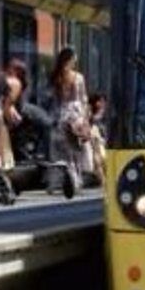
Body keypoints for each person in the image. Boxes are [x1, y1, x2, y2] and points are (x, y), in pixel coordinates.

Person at [49, 47, 93, 189]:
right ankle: (77, 179)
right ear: (70, 60)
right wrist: (85, 117)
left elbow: (55, 99)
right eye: (74, 59)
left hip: (62, 113)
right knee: (78, 148)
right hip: (76, 113)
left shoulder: (56, 77)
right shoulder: (78, 77)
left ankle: (69, 177)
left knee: (66, 149)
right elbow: (83, 98)